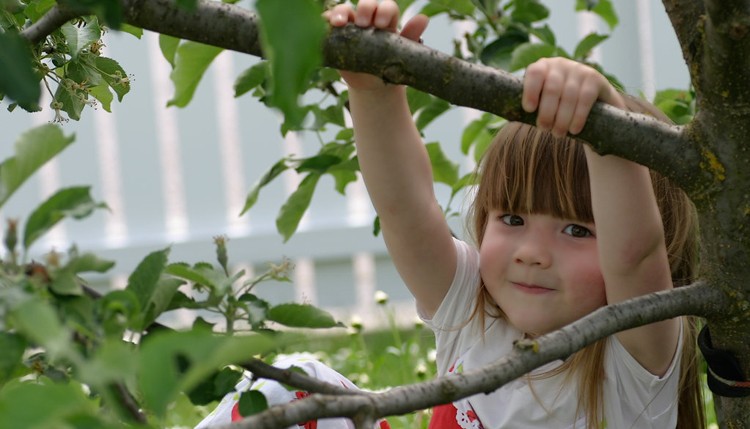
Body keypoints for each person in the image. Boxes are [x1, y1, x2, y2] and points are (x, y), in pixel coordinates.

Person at [198, 1, 704, 427]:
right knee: (291, 386)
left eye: (576, 229)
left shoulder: (636, 359)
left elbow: (634, 259)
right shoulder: (476, 313)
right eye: (511, 219)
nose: (531, 253)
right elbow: (405, 210)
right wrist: (374, 93)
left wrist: (607, 127)